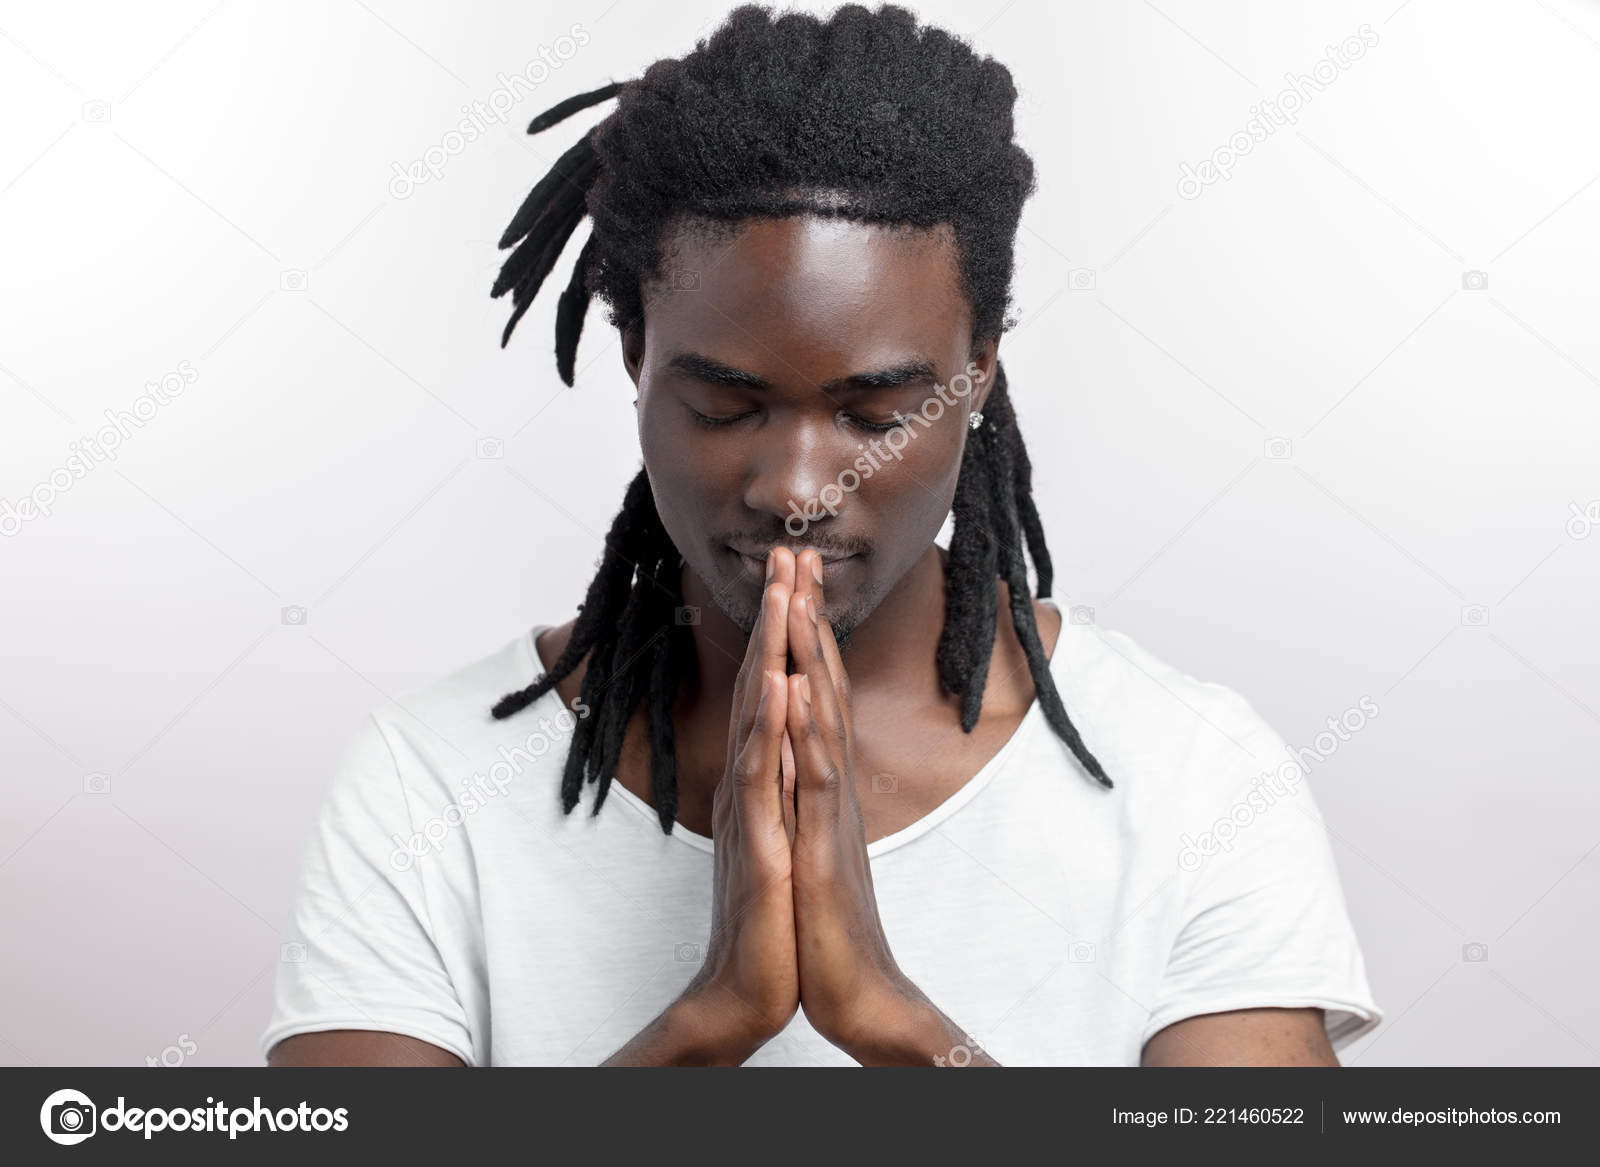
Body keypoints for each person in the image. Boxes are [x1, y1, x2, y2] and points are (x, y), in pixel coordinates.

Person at [263, 3, 1380, 1066]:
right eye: (725, 406)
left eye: (874, 415)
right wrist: (710, 1023)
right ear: (634, 359)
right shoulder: (432, 782)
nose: (796, 484)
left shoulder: (1189, 774)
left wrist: (887, 1018)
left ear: (977, 370)